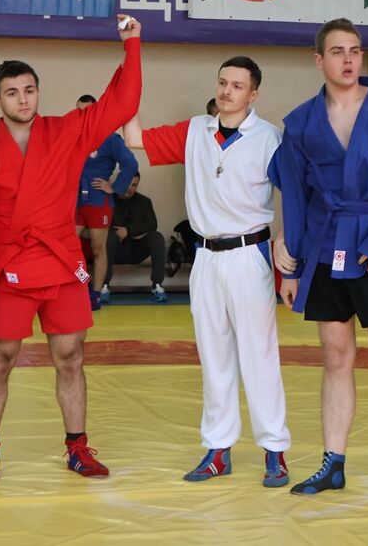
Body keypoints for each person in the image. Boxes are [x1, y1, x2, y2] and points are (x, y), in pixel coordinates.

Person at [0, 15, 142, 483]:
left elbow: (121, 103)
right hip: (10, 264)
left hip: (60, 260)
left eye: (30, 90)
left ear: (38, 93)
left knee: (71, 355)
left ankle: (77, 447)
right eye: (12, 92)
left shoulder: (67, 132)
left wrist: (132, 45)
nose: (23, 99)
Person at [269, 18, 368, 504]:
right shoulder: (302, 122)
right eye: (338, 51)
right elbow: (295, 194)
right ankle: (333, 463)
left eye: (355, 51)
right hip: (324, 245)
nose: (348, 60)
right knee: (335, 356)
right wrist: (293, 264)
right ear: (319, 60)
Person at [123, 56, 291, 488]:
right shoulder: (194, 130)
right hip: (206, 257)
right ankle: (218, 450)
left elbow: (296, 194)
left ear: (253, 94)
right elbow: (134, 137)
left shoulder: (270, 138)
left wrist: (286, 242)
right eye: (222, 82)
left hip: (249, 254)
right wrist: (131, 65)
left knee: (259, 355)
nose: (227, 90)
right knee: (213, 356)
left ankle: (275, 449)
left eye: (237, 85)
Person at [75, 94, 139, 310]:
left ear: (97, 112)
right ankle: (82, 285)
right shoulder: (73, 135)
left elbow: (130, 164)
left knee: (98, 248)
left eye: (88, 111)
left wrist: (116, 187)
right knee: (67, 247)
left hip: (98, 201)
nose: (84, 115)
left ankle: (95, 294)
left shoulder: (110, 138)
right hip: (74, 200)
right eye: (80, 111)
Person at [102, 172, 168, 304]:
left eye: (134, 185)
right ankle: (103, 286)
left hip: (136, 251)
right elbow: (102, 225)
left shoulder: (144, 202)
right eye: (128, 183)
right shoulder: (108, 200)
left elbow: (152, 224)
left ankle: (157, 286)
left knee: (157, 238)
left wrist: (128, 231)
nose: (130, 188)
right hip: (114, 251)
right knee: (111, 237)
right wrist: (120, 233)